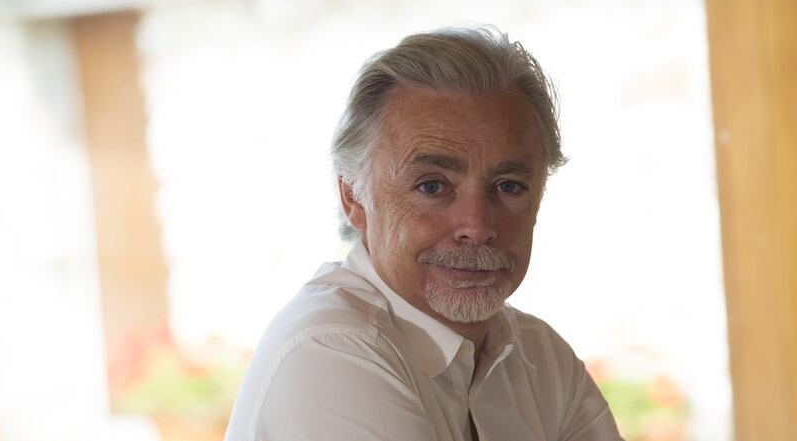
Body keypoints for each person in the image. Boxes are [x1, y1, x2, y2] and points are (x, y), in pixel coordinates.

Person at [224, 26, 623, 441]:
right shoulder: (328, 349)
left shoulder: (540, 356)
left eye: (508, 186)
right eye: (432, 186)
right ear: (353, 197)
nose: (477, 227)